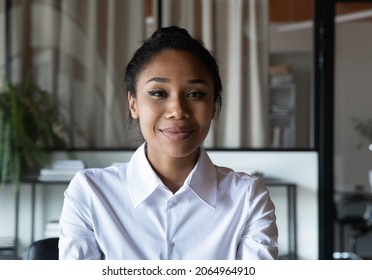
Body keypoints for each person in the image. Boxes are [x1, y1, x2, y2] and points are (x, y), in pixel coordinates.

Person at [58, 26, 278, 260]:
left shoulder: (248, 198)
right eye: (158, 93)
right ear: (133, 104)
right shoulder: (90, 192)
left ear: (213, 105)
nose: (177, 110)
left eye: (195, 94)